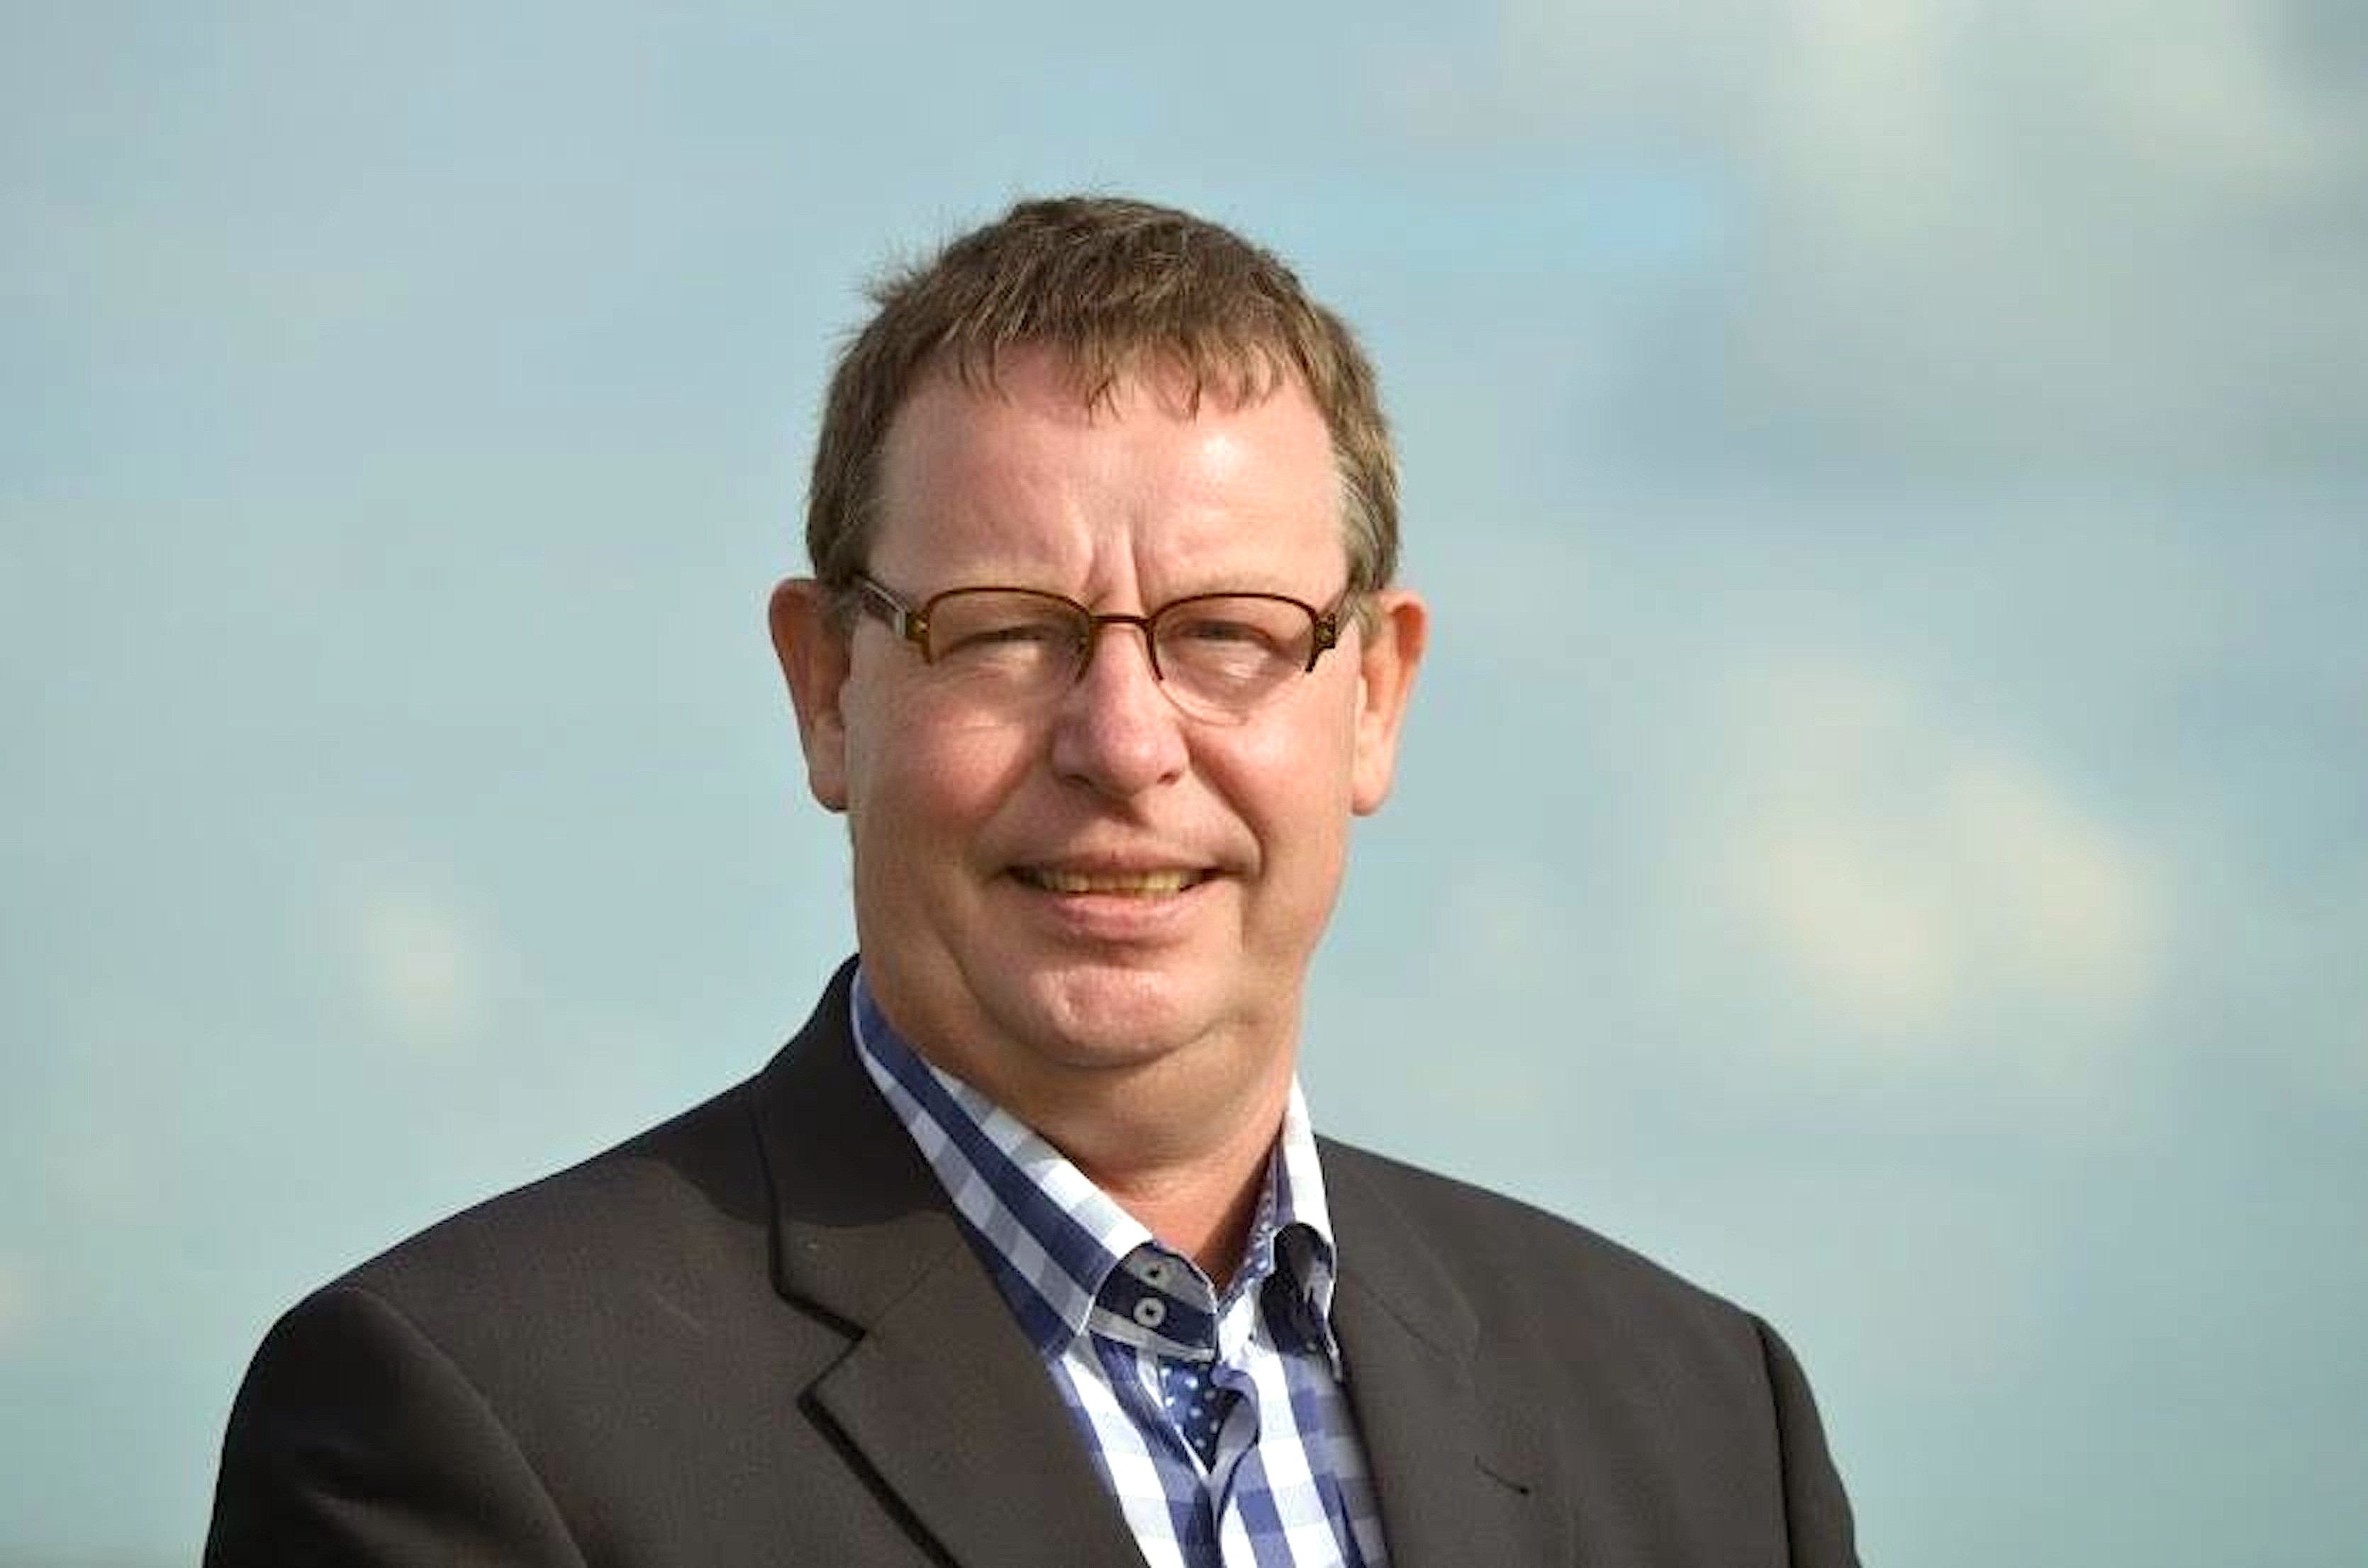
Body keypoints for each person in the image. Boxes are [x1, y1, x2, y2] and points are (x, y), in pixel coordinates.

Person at [206, 195, 1860, 1567]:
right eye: (1002, 631)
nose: (1122, 740)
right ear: (826, 690)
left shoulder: (1710, 1423)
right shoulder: (468, 1419)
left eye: (1227, 632)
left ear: (1371, 695)